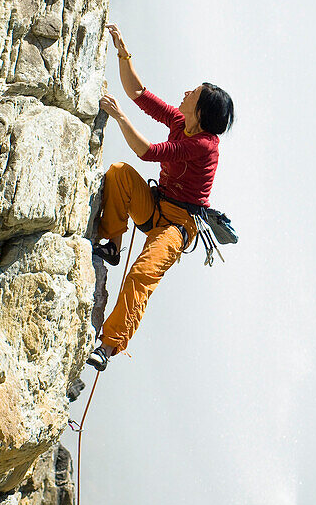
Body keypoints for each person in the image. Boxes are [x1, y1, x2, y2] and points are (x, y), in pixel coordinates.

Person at [87, 23, 234, 370]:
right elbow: (138, 92)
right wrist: (123, 51)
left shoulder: (203, 145)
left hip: (178, 225)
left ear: (201, 111)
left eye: (193, 94)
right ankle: (112, 244)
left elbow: (149, 151)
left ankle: (108, 346)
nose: (185, 93)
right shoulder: (184, 123)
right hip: (156, 207)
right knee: (120, 174)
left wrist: (119, 117)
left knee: (142, 274)